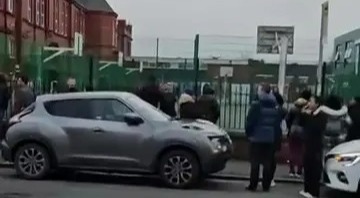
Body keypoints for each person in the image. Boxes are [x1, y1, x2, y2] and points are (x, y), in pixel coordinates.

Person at [245, 84, 280, 192]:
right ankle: (266, 185)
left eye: (259, 90)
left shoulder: (256, 105)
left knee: (255, 163)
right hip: (269, 138)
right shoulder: (275, 105)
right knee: (267, 163)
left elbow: (250, 122)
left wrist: (249, 134)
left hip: (256, 137)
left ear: (262, 92)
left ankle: (253, 184)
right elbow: (277, 123)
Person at [300, 96, 328, 198]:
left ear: (317, 104)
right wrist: (303, 113)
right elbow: (302, 123)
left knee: (315, 169)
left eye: (311, 101)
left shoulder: (321, 115)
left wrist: (309, 116)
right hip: (308, 144)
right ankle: (307, 189)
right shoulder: (309, 114)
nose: (309, 103)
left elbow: (316, 127)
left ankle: (314, 192)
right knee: (307, 167)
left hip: (315, 146)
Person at [286, 90, 311, 178]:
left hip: (293, 130)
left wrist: (290, 128)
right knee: (301, 151)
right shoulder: (308, 108)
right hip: (303, 131)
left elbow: (287, 119)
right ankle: (299, 171)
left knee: (292, 150)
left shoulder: (293, 107)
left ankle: (291, 170)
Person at [270, 91, 287, 187]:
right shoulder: (282, 110)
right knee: (272, 158)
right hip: (277, 135)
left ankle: (268, 178)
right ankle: (270, 178)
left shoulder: (272, 109)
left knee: (268, 158)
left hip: (270, 135)